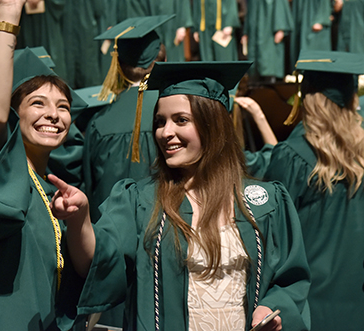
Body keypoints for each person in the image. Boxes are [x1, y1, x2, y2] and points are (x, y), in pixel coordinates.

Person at [51, 60, 311, 331]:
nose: (165, 132)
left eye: (181, 120)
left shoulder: (265, 202)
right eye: (160, 122)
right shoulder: (140, 200)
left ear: (213, 125)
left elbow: (289, 280)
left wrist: (271, 308)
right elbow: (96, 262)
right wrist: (79, 219)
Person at [0, 0, 86, 330]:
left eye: (63, 106)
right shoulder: (2, 167)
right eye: (38, 103)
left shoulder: (54, 188)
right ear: (16, 113)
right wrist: (10, 16)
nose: (53, 114)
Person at [81, 16, 171, 329]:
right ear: (161, 58)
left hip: (112, 246)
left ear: (119, 65)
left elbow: (90, 192)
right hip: (165, 242)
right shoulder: (175, 117)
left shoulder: (98, 122)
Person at [265, 50, 364, 331]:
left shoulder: (293, 156)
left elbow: (274, 234)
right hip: (357, 298)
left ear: (306, 97)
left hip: (310, 302)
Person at [242, 0, 293, 81]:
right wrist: (246, 32)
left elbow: (281, 9)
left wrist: (280, 29)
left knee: (269, 66)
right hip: (254, 34)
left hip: (270, 33)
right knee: (255, 68)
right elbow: (249, 13)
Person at [61, 0, 103, 89]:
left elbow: (99, 12)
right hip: (68, 36)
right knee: (70, 72)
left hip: (88, 36)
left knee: (88, 72)